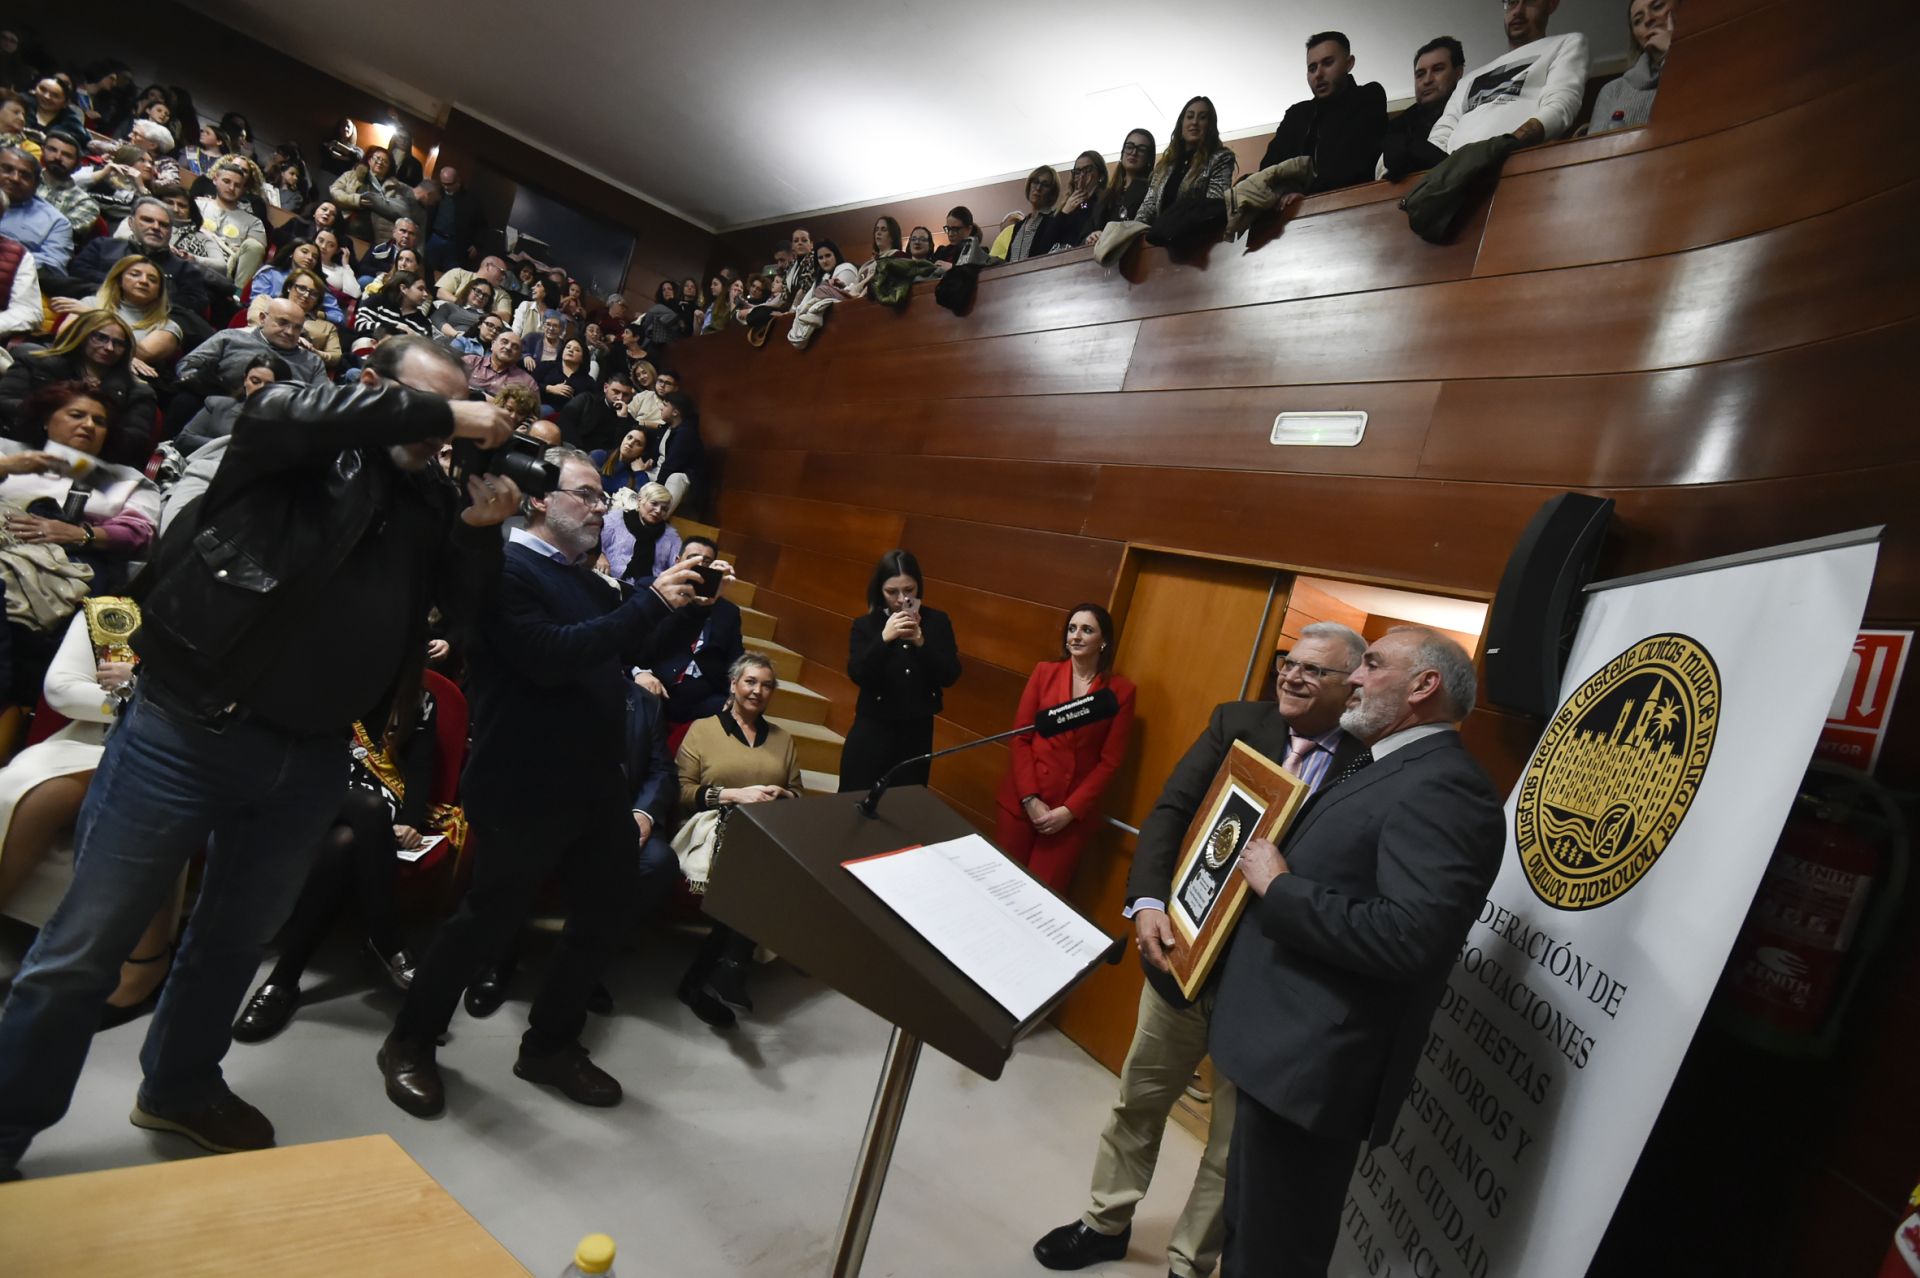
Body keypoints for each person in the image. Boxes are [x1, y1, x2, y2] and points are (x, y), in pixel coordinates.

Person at [0, 336, 518, 1177]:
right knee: (83, 950)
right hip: (187, 726)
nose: (438, 430)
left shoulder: (426, 498)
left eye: (450, 413)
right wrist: (443, 412)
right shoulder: (293, 437)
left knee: (235, 940)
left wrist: (479, 534)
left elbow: (455, 617)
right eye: (425, 405)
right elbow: (290, 410)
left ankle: (177, 1086)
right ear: (370, 389)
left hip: (311, 757)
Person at [1028, 623, 1366, 1278]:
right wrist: (1148, 902)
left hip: (1271, 983)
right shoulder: (1237, 723)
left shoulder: (1366, 764)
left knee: (1232, 1142)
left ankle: (1191, 1261)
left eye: (1312, 671)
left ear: (1351, 683)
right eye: (1287, 664)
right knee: (1138, 1102)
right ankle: (1104, 1223)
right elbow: (1171, 810)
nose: (1291, 677)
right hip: (1181, 958)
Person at [378, 446, 702, 1118]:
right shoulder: (501, 570)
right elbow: (549, 657)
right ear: (538, 500)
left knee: (604, 915)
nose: (598, 506)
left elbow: (626, 646)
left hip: (594, 785)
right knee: (485, 924)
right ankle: (409, 1042)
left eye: (598, 496)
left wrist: (687, 599)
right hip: (523, 783)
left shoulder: (585, 578)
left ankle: (550, 1046)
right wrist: (646, 605)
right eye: (584, 493)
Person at [1213, 627, 1504, 1275]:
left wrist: (1281, 891)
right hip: (1279, 1054)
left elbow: (1410, 938)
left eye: (1372, 665)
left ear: (1423, 686)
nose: (1355, 678)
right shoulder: (1385, 762)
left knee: (1274, 1255)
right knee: (1247, 1233)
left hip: (1313, 1070)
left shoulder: (1447, 787)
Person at [230, 683, 455, 1042]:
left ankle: (284, 980)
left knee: (348, 841)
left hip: (377, 804)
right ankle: (386, 938)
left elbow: (421, 763)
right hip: (312, 792)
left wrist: (411, 820)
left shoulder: (419, 697)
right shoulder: (337, 674)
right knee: (369, 810)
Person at [0, 602, 183, 1027]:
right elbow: (63, 689)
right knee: (30, 789)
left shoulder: (243, 619)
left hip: (176, 749)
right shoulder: (117, 611)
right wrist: (140, 696)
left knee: (126, 797)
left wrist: (134, 685)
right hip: (89, 739)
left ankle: (147, 960)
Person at [672, 652, 800, 1027]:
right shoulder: (703, 729)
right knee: (751, 865)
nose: (757, 691)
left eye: (766, 685)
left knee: (759, 861)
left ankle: (706, 977)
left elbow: (797, 792)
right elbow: (680, 791)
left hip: (764, 830)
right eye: (750, 682)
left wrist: (782, 795)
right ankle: (729, 967)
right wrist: (732, 795)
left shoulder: (783, 739)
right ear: (733, 684)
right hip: (711, 825)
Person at [994, 605, 1136, 894]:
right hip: (1023, 802)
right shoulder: (1044, 673)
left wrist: (1069, 811)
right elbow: (1020, 738)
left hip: (1067, 816)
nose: (1076, 636)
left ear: (1104, 640)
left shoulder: (1120, 692)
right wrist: (1030, 799)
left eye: (1087, 630)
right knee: (1001, 888)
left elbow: (1110, 762)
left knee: (1040, 899)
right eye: (1072, 629)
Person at [838, 550, 961, 795]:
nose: (902, 599)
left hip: (916, 732)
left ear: (919, 587)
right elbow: (858, 673)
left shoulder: (936, 621)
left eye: (909, 590)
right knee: (855, 798)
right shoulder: (866, 625)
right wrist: (884, 639)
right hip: (873, 727)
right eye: (892, 592)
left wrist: (921, 642)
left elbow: (950, 675)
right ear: (880, 591)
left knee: (904, 806)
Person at [1427, 0, 1590, 154]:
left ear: (1552, 4)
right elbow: (1442, 131)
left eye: (1529, 1)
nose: (1518, 10)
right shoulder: (1469, 79)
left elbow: (1560, 105)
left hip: (1518, 163)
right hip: (1452, 174)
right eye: (1511, 2)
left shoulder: (1565, 43)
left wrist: (1509, 144)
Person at [0, 311, 157, 465]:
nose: (109, 347)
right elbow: (4, 402)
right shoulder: (34, 361)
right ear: (81, 336)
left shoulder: (140, 392)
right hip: (23, 444)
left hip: (93, 464)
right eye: (101, 338)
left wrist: (88, 432)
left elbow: (134, 441)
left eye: (119, 343)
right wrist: (55, 417)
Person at [633, 534, 744, 744]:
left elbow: (736, 660)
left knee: (740, 713)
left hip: (703, 692)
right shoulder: (653, 589)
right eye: (693, 559)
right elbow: (634, 642)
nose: (700, 566)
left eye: (707, 563)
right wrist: (640, 672)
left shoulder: (728, 611)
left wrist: (735, 694)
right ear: (678, 561)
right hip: (659, 683)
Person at [1257, 32, 1388, 193]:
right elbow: (1268, 170)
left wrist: (1304, 195)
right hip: (1293, 210)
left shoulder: (1368, 96)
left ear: (1349, 63)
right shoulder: (1297, 115)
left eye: (1327, 63)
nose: (1318, 74)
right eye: (1312, 68)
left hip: (1353, 202)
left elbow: (1356, 161)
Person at [59, 195, 208, 319]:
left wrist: (146, 301)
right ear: (131, 223)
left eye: (163, 225)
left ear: (170, 231)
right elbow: (77, 273)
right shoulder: (103, 246)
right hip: (92, 313)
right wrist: (125, 289)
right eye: (147, 220)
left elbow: (195, 304)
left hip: (148, 327)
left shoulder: (184, 268)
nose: (156, 227)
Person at [1135, 97, 1236, 242]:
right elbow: (1148, 206)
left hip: (1195, 241)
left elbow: (1214, 204)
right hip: (1158, 241)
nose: (1194, 122)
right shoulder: (1165, 165)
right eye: (1189, 116)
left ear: (1210, 125)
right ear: (1182, 123)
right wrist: (1137, 234)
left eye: (1202, 118)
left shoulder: (1220, 158)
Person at [176, 298, 328, 391]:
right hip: (219, 406)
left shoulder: (312, 362)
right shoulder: (231, 337)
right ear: (263, 318)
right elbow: (188, 365)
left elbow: (323, 401)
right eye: (283, 323)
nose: (289, 332)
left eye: (297, 327)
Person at [66, 253, 181, 369]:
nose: (144, 281)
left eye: (153, 280)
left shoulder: (167, 326)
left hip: (122, 379)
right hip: (74, 365)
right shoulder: (91, 303)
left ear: (159, 292)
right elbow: (65, 336)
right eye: (135, 274)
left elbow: (142, 354)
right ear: (119, 280)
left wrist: (93, 317)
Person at [1380, 37, 1467, 181]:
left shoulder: (1472, 112)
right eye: (1420, 74)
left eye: (1437, 69)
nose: (1427, 80)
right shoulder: (1398, 125)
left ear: (1458, 73)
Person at [1590, 0, 1678, 132]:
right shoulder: (1613, 90)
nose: (1648, 19)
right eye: (1638, 21)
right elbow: (1595, 149)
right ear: (1636, 38)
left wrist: (1672, 53)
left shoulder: (1708, 65)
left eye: (1658, 6)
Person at [172, 353, 286, 455]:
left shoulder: (289, 421)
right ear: (245, 380)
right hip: (206, 467)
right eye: (255, 381)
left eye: (269, 385)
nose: (260, 389)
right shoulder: (218, 405)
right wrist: (232, 446)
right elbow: (183, 440)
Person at [247, 268, 342, 373]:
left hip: (296, 367)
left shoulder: (327, 327)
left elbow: (335, 357)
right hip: (257, 352)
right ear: (289, 287)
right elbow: (256, 323)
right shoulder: (266, 301)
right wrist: (295, 339)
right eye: (302, 288)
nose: (306, 295)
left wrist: (313, 351)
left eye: (314, 294)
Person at [194, 157, 267, 284]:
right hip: (192, 256)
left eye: (237, 185)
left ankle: (236, 295)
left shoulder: (254, 222)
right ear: (215, 179)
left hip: (226, 272)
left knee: (254, 246)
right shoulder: (197, 204)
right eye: (226, 181)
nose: (231, 188)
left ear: (244, 189)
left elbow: (253, 252)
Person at [0, 145, 71, 272]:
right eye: (7, 169)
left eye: (25, 176)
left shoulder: (56, 222)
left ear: (36, 185)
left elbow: (54, 265)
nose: (15, 178)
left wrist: (8, 258)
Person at [643, 390, 705, 515]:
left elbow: (671, 465)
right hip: (658, 473)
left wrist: (656, 488)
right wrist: (651, 460)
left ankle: (658, 516)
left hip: (678, 479)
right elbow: (659, 453)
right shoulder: (666, 428)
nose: (661, 407)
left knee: (675, 478)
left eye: (665, 405)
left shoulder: (686, 433)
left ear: (675, 412)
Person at [34, 130, 97, 243]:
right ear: (43, 150)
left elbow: (61, 235)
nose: (57, 157)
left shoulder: (85, 203)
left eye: (67, 155)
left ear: (78, 164)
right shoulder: (22, 178)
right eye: (52, 150)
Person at [351, 269, 434, 352]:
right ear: (404, 288)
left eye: (425, 290)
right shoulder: (378, 300)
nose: (425, 294)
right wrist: (394, 328)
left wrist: (411, 334)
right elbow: (360, 325)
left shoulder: (424, 323)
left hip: (397, 359)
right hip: (370, 349)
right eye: (420, 289)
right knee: (364, 342)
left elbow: (425, 351)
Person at [557, 367, 632, 454]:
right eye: (616, 391)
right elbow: (565, 422)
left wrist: (622, 420)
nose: (620, 398)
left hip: (601, 458)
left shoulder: (627, 418)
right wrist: (579, 451)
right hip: (573, 449)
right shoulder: (587, 400)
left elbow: (618, 448)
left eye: (625, 395)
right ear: (606, 387)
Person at [1045, 152, 1109, 252]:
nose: (1082, 175)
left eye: (1088, 170)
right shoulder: (1066, 206)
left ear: (1101, 175)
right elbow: (1046, 244)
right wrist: (1064, 213)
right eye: (1078, 171)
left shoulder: (1107, 202)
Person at [425, 165, 484, 271]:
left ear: (458, 181)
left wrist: (477, 245)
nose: (446, 187)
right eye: (443, 183)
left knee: (451, 275)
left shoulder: (471, 200)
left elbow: (482, 225)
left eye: (449, 184)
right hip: (435, 237)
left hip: (456, 243)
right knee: (427, 269)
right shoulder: (436, 193)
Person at [998, 166, 1061, 263]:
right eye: (1035, 182)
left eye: (1045, 185)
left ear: (1052, 192)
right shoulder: (1018, 226)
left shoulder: (1055, 220)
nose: (1038, 188)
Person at [461, 328, 537, 397]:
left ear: (519, 355)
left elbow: (531, 411)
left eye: (515, 347)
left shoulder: (527, 382)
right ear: (493, 344)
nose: (508, 347)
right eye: (504, 342)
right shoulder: (470, 362)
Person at [355, 216, 419, 285]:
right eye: (403, 231)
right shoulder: (379, 249)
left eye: (411, 233)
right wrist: (379, 274)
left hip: (401, 288)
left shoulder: (417, 259)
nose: (406, 236)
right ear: (394, 232)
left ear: (415, 238)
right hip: (377, 282)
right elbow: (362, 267)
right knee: (364, 280)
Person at [538, 337, 594, 415]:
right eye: (568, 347)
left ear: (583, 358)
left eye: (577, 350)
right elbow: (530, 385)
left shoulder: (588, 381)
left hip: (572, 416)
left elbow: (591, 403)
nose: (570, 350)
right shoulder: (546, 366)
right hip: (545, 409)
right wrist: (549, 388)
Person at [431, 277, 496, 342]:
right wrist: (457, 334)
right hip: (449, 341)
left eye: (485, 295)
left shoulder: (491, 318)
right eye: (478, 291)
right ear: (468, 290)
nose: (481, 296)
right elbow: (437, 320)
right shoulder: (449, 307)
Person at [638, 281, 687, 353]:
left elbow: (683, 327)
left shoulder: (681, 307)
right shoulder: (658, 307)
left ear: (675, 291)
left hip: (672, 343)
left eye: (669, 289)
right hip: (653, 341)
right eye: (663, 290)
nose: (666, 291)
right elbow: (646, 324)